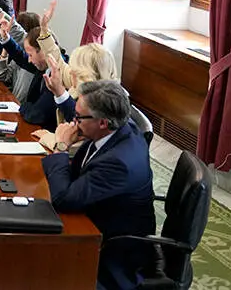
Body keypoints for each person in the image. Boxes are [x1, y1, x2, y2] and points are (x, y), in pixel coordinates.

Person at [42, 80, 156, 289]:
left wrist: (61, 147)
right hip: (100, 217)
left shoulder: (118, 162)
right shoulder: (117, 129)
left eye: (78, 117)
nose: (74, 122)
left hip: (112, 252)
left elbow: (63, 200)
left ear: (102, 123)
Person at [0, 12, 41, 103]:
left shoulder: (35, 64)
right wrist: (4, 52)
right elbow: (1, 76)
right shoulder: (17, 60)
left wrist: (7, 41)